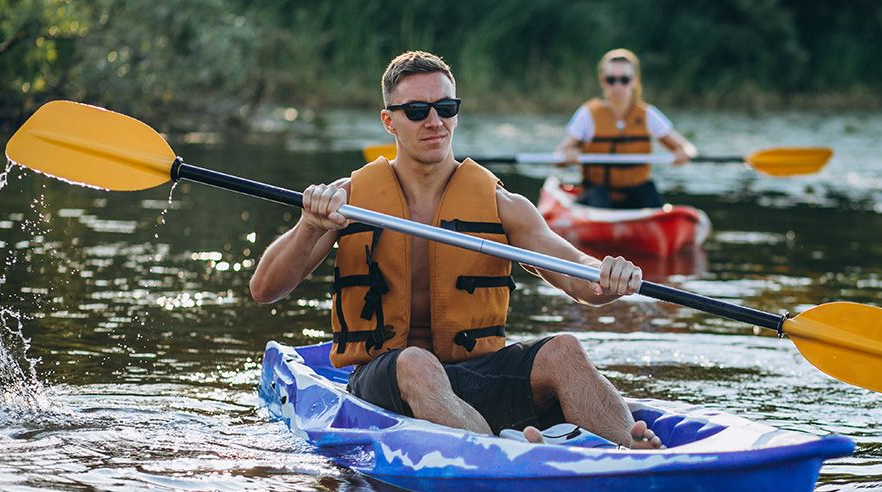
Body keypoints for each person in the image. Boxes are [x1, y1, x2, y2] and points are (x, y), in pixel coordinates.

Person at [250, 51, 662, 449]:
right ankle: (502, 455)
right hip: (387, 377)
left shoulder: (503, 205)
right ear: (389, 121)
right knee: (416, 361)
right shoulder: (348, 200)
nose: (435, 122)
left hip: (475, 373)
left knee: (564, 351)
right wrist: (309, 226)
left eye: (446, 108)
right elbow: (265, 289)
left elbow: (578, 274)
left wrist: (608, 276)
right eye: (417, 111)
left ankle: (633, 450)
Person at [555, 48, 697, 209]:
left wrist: (684, 153)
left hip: (637, 191)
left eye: (624, 79)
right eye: (611, 80)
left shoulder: (648, 114)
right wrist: (568, 154)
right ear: (603, 81)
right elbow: (559, 155)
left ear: (634, 81)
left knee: (649, 192)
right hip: (598, 193)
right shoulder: (587, 114)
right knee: (599, 196)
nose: (617, 86)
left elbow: (687, 147)